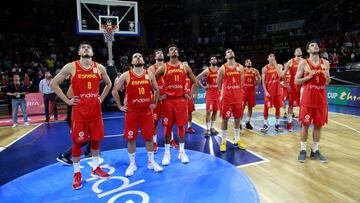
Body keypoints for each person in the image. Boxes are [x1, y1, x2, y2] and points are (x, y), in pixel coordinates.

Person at [50, 41, 112, 190]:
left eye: (88, 47)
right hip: (79, 113)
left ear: (92, 53)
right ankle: (77, 174)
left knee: (96, 141)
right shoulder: (71, 66)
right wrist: (67, 101)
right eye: (83, 47)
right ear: (79, 53)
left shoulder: (100, 67)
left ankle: (96, 168)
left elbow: (109, 84)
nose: (86, 48)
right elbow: (53, 83)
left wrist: (101, 98)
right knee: (78, 142)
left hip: (95, 112)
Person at [112, 53, 163, 176]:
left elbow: (156, 89)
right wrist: (119, 106)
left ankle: (151, 162)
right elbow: (114, 90)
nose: (138, 57)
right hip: (132, 112)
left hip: (146, 111)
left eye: (140, 56)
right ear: (132, 62)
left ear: (143, 60)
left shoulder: (149, 74)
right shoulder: (126, 75)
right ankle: (132, 164)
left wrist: (155, 103)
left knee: (149, 138)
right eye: (135, 56)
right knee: (131, 139)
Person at [155, 44, 197, 166]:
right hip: (168, 101)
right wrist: (160, 94)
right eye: (171, 49)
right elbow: (152, 80)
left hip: (181, 101)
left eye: (176, 49)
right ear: (168, 54)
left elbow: (194, 81)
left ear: (178, 53)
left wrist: (190, 94)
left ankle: (182, 152)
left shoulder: (185, 67)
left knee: (181, 127)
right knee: (168, 127)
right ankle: (167, 153)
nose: (174, 50)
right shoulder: (164, 67)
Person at [295, 41, 330, 163]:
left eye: (316, 45)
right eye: (312, 45)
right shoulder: (303, 63)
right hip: (308, 97)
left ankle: (315, 150)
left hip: (321, 98)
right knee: (305, 124)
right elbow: (296, 81)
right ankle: (303, 150)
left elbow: (327, 82)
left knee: (318, 125)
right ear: (308, 50)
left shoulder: (325, 63)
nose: (315, 46)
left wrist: (327, 77)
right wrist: (309, 76)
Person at [148, 49, 179, 153]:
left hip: (168, 98)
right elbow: (149, 84)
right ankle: (155, 142)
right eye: (157, 53)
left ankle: (171, 140)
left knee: (170, 122)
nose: (160, 53)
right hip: (157, 99)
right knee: (154, 122)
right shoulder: (151, 69)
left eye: (161, 52)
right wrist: (157, 96)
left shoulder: (168, 66)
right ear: (154, 57)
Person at [217, 49, 246, 152]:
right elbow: (219, 84)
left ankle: (237, 139)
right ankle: (223, 140)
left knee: (238, 119)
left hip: (237, 97)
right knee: (225, 119)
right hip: (227, 98)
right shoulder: (222, 68)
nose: (231, 52)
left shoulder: (241, 67)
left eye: (232, 51)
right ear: (225, 56)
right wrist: (223, 94)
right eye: (228, 52)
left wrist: (238, 91)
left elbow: (242, 83)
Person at [56, 85, 91, 165]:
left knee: (91, 134)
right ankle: (64, 155)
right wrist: (68, 101)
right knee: (83, 139)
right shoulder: (75, 82)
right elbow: (69, 95)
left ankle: (87, 152)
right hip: (74, 117)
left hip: (82, 116)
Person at [196, 55, 220, 136]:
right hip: (210, 94)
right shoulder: (207, 70)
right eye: (212, 59)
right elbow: (196, 78)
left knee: (215, 111)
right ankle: (207, 129)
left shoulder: (220, 70)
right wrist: (203, 86)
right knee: (208, 112)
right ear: (210, 62)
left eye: (215, 59)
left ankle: (212, 127)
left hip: (217, 94)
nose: (214, 60)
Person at [260, 53, 284, 132]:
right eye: (270, 56)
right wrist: (266, 91)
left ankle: (277, 124)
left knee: (278, 108)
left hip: (277, 91)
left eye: (273, 56)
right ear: (268, 59)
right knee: (266, 108)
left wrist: (275, 64)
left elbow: (281, 75)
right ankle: (265, 124)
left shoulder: (279, 66)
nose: (272, 57)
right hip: (269, 92)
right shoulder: (264, 68)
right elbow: (263, 81)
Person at [283, 48, 304, 131]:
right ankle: (290, 123)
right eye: (297, 50)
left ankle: (302, 121)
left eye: (300, 50)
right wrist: (286, 84)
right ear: (294, 53)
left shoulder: (305, 61)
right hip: (293, 86)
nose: (299, 51)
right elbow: (283, 74)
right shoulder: (291, 61)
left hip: (302, 86)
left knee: (303, 105)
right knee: (291, 105)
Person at [242, 59, 261, 130]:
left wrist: (257, 86)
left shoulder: (255, 71)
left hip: (251, 92)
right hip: (244, 92)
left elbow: (259, 78)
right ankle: (239, 122)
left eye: (250, 61)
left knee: (250, 108)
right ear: (245, 64)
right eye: (247, 62)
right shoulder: (242, 70)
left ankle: (248, 122)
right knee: (242, 108)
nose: (249, 62)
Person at [183, 61, 196, 134]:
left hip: (189, 97)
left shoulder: (191, 76)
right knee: (182, 113)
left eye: (187, 65)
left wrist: (193, 94)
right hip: (181, 97)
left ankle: (189, 127)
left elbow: (195, 84)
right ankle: (182, 127)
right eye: (184, 65)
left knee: (190, 112)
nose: (186, 67)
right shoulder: (180, 75)